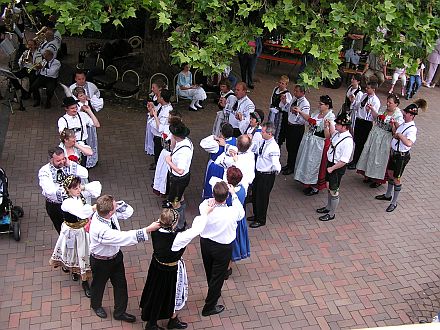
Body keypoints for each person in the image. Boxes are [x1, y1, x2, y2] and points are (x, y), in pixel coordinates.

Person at [171, 181, 245, 316]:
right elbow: (241, 212)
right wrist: (234, 195)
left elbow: (205, 205)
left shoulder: (204, 207)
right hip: (223, 247)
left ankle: (214, 291)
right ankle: (209, 306)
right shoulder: (232, 212)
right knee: (218, 275)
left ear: (213, 195)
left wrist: (212, 201)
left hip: (206, 244)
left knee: (209, 269)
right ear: (227, 196)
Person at [88, 194, 161, 322]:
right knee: (98, 285)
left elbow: (128, 212)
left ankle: (119, 312)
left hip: (115, 257)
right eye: (114, 208)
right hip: (101, 262)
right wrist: (148, 229)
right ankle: (96, 305)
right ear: (110, 213)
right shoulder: (100, 229)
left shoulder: (106, 214)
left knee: (121, 285)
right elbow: (123, 238)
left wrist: (116, 205)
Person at [49, 175, 101, 297]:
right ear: (68, 190)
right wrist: (96, 207)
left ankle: (83, 277)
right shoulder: (67, 203)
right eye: (75, 188)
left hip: (83, 230)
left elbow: (97, 188)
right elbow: (83, 212)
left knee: (84, 252)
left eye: (78, 187)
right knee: (74, 252)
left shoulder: (79, 195)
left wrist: (83, 187)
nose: (78, 190)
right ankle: (80, 277)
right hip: (72, 231)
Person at [140, 208, 188, 330]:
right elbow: (196, 230)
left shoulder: (155, 231)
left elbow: (162, 222)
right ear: (173, 223)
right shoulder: (176, 238)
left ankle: (171, 319)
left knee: (156, 293)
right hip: (169, 271)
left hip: (156, 266)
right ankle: (152, 324)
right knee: (164, 295)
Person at [375, 100, 426, 212]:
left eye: (406, 113)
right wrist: (394, 126)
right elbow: (395, 134)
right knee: (390, 173)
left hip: (401, 156)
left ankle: (394, 202)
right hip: (395, 153)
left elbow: (409, 143)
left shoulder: (412, 129)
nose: (404, 114)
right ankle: (388, 195)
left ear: (411, 115)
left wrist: (400, 135)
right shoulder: (403, 124)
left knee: (397, 178)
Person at [356, 94, 404, 188]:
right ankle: (368, 174)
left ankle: (377, 179)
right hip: (375, 134)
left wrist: (394, 124)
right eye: (387, 101)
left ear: (396, 104)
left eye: (390, 103)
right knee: (370, 154)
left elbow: (399, 129)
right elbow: (376, 117)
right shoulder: (383, 108)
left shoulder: (398, 115)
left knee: (379, 158)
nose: (388, 104)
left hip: (385, 138)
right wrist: (372, 110)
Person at [38, 146, 88, 234]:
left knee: (79, 227)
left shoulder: (68, 164)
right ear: (51, 160)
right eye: (58, 160)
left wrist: (71, 164)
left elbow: (85, 173)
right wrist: (69, 191)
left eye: (63, 159)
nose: (62, 162)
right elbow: (49, 190)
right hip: (56, 206)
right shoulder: (44, 171)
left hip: (73, 202)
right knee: (63, 231)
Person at [293, 95, 336, 196]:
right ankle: (307, 182)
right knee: (307, 162)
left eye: (321, 104)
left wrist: (325, 127)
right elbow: (309, 119)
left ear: (327, 105)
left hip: (319, 143)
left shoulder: (330, 117)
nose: (319, 105)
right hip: (310, 140)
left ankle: (315, 187)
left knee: (315, 165)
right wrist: (300, 112)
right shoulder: (317, 112)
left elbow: (328, 136)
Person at [316, 112, 354, 221]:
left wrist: (332, 168)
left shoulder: (348, 141)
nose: (336, 125)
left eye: (338, 124)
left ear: (344, 127)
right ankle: (328, 207)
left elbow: (344, 161)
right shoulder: (338, 133)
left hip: (336, 167)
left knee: (334, 190)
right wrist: (327, 126)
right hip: (331, 165)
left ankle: (332, 214)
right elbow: (329, 135)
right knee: (329, 186)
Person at [249, 122, 281, 228]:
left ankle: (261, 219)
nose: (261, 133)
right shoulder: (263, 141)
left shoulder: (274, 147)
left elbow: (276, 162)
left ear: (270, 134)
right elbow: (256, 149)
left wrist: (276, 169)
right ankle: (256, 214)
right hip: (258, 173)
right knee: (255, 194)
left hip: (266, 176)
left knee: (262, 197)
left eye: (263, 132)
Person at [164, 121, 193, 231]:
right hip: (182, 180)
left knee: (175, 202)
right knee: (180, 197)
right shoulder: (186, 141)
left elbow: (180, 170)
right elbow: (173, 147)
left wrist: (169, 161)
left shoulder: (183, 152)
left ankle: (180, 225)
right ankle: (181, 217)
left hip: (178, 180)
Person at [224, 167, 249, 279]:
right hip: (239, 221)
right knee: (234, 243)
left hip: (230, 221)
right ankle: (228, 267)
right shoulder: (243, 188)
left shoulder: (228, 193)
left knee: (230, 243)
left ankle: (226, 268)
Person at [348, 82, 380, 169]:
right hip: (359, 120)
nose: (366, 89)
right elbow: (358, 106)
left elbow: (374, 116)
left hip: (366, 123)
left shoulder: (375, 101)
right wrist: (353, 101)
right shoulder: (364, 95)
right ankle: (354, 160)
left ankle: (357, 162)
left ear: (373, 89)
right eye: (366, 87)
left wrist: (369, 110)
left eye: (369, 88)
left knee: (361, 143)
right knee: (357, 141)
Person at [57, 97, 100, 162]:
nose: (75, 110)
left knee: (83, 164)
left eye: (76, 107)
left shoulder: (83, 115)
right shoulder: (62, 120)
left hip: (83, 144)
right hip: (69, 146)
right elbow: (62, 135)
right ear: (66, 108)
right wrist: (73, 143)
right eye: (72, 108)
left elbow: (97, 124)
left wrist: (89, 111)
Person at [200, 123, 236, 199]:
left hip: (215, 168)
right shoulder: (235, 141)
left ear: (222, 133)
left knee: (212, 185)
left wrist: (213, 137)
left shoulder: (216, 144)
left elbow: (203, 143)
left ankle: (210, 198)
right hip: (228, 169)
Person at [152, 111, 183, 197]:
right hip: (165, 153)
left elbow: (173, 145)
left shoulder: (176, 132)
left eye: (169, 117)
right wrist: (155, 115)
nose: (168, 118)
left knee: (169, 175)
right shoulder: (167, 128)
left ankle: (171, 195)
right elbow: (159, 127)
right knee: (163, 173)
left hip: (171, 155)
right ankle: (166, 191)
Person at [282, 85, 310, 175]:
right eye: (294, 91)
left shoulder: (305, 104)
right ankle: (288, 164)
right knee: (289, 146)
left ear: (302, 93)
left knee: (294, 148)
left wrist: (297, 113)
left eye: (297, 91)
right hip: (290, 125)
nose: (295, 93)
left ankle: (292, 167)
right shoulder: (294, 98)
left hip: (297, 128)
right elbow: (289, 109)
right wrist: (285, 103)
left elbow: (304, 119)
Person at [72, 86, 103, 168]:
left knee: (93, 143)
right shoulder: (77, 106)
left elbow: (98, 107)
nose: (83, 97)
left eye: (83, 94)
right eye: (80, 96)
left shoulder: (88, 101)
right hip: (84, 128)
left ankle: (92, 160)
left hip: (91, 125)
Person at [149, 89, 173, 168]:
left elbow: (159, 127)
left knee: (159, 152)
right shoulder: (161, 106)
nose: (157, 97)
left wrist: (152, 118)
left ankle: (158, 169)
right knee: (157, 151)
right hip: (157, 135)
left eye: (158, 96)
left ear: (162, 98)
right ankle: (156, 163)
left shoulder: (167, 111)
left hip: (161, 136)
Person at [267, 75, 292, 146]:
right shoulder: (275, 89)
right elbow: (272, 98)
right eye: (280, 82)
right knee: (270, 126)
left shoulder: (287, 94)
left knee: (277, 129)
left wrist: (284, 101)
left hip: (279, 114)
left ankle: (275, 143)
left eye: (283, 83)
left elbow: (288, 107)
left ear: (286, 85)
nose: (280, 85)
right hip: (272, 111)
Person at [145, 80, 166, 162]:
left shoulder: (162, 99)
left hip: (157, 122)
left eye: (154, 87)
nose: (152, 89)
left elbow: (159, 111)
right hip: (153, 118)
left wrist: (153, 111)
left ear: (160, 88)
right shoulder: (154, 96)